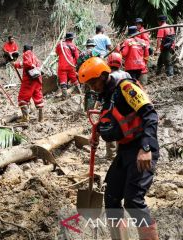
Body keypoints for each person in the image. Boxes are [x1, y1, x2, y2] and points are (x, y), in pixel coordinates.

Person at [78, 57, 159, 240]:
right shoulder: (107, 93)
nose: (92, 87)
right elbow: (113, 118)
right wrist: (97, 132)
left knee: (133, 201)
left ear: (104, 75)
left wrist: (146, 148)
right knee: (112, 197)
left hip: (141, 148)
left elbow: (150, 115)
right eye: (88, 84)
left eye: (93, 82)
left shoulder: (126, 88)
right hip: (124, 150)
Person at [14, 45, 44, 122]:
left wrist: (18, 64)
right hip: (37, 80)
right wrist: (17, 65)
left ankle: (25, 117)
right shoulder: (35, 57)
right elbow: (26, 64)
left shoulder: (27, 53)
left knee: (22, 98)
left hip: (29, 81)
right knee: (38, 98)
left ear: (24, 50)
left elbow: (27, 63)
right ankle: (41, 118)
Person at [55, 32, 80, 99]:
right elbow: (77, 58)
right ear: (72, 39)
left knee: (63, 80)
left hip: (61, 65)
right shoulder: (73, 46)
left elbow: (56, 53)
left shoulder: (59, 45)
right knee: (74, 78)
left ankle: (64, 96)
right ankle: (79, 91)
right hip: (71, 65)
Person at [77, 38, 100, 112]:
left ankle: (87, 110)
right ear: (93, 45)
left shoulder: (82, 54)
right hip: (96, 75)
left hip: (86, 75)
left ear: (87, 46)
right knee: (95, 91)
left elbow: (78, 66)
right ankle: (93, 109)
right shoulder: (97, 53)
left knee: (87, 92)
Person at [135, 18, 151, 85]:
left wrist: (138, 41)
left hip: (143, 51)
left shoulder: (143, 31)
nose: (136, 25)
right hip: (138, 51)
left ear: (141, 24)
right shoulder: (137, 31)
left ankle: (143, 81)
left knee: (143, 65)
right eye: (136, 24)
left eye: (138, 24)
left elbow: (146, 42)